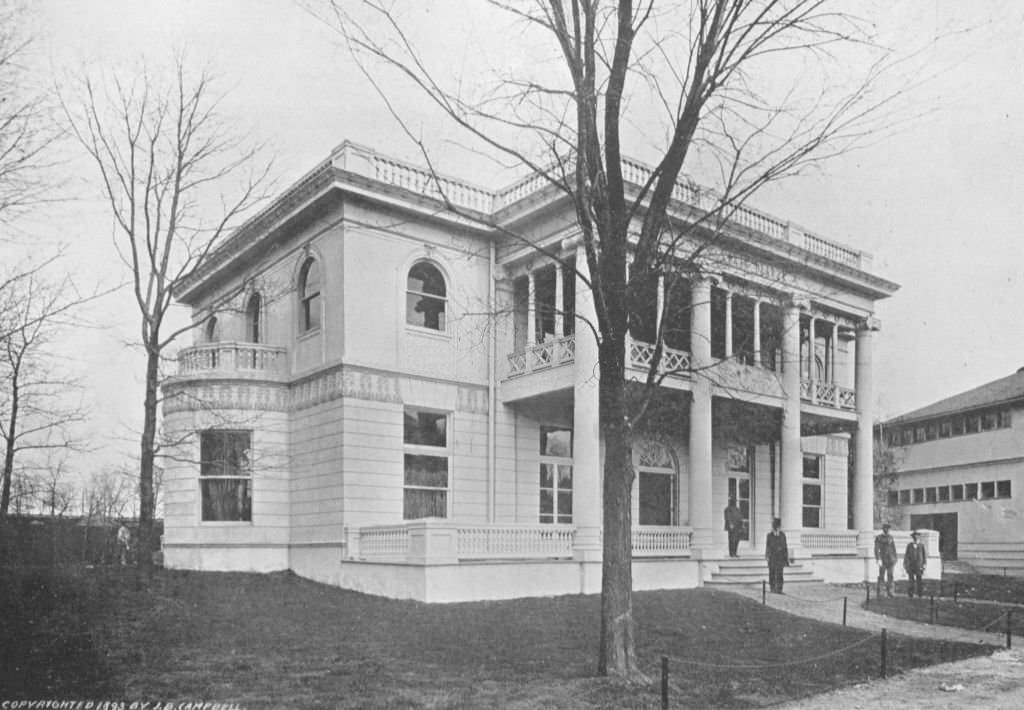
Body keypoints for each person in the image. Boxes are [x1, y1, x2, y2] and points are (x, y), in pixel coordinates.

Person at [765, 518, 789, 593]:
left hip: (780, 557)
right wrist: (767, 556)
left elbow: (785, 547)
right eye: (775, 526)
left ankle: (779, 589)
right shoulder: (769, 535)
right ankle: (772, 587)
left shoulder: (782, 535)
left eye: (778, 526)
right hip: (772, 557)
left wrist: (786, 558)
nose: (776, 528)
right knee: (772, 572)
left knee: (780, 573)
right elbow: (768, 546)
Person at [874, 523, 898, 598]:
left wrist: (895, 558)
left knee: (890, 576)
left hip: (891, 560)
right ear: (883, 529)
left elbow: (894, 549)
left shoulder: (891, 537)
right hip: (883, 559)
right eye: (885, 528)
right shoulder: (879, 538)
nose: (887, 530)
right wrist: (878, 559)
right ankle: (881, 592)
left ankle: (890, 592)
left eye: (888, 529)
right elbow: (876, 549)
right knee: (881, 576)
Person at [903, 530, 927, 598]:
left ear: (919, 537)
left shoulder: (921, 545)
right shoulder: (909, 545)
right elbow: (906, 555)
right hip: (911, 565)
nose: (916, 538)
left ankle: (920, 594)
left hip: (919, 565)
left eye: (917, 536)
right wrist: (905, 564)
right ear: (912, 537)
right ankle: (911, 594)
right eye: (914, 536)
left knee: (919, 579)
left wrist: (924, 564)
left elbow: (924, 555)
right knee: (911, 580)